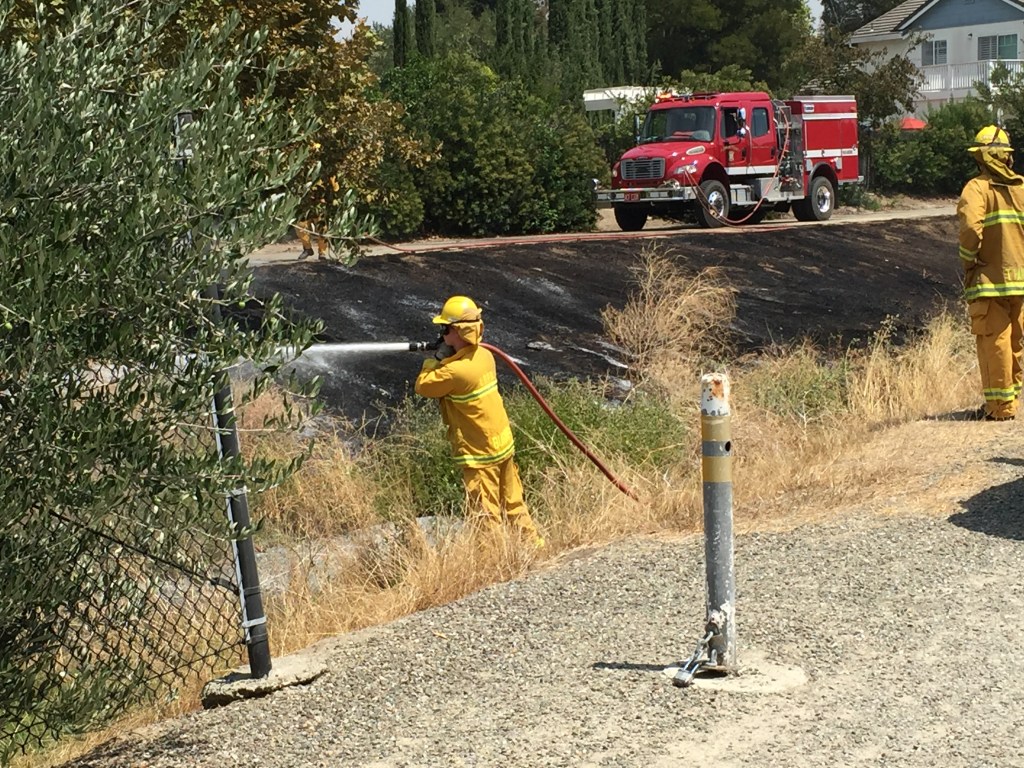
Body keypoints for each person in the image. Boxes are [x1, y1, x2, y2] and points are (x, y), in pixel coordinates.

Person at [414, 295, 544, 547]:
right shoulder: (484, 356)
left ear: (459, 332)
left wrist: (435, 359)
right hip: (502, 444)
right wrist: (449, 355)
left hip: (480, 453)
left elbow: (424, 386)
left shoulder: (455, 371)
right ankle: (533, 546)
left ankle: (493, 564)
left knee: (485, 514)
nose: (442, 336)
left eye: (445, 330)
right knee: (513, 502)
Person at [958, 124, 1024, 421]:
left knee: (994, 340)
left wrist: (969, 261)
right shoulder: (1022, 189)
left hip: (990, 281)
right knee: (1016, 343)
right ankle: (1011, 400)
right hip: (1021, 281)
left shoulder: (977, 188)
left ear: (983, 158)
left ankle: (999, 408)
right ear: (1007, 157)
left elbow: (971, 229)